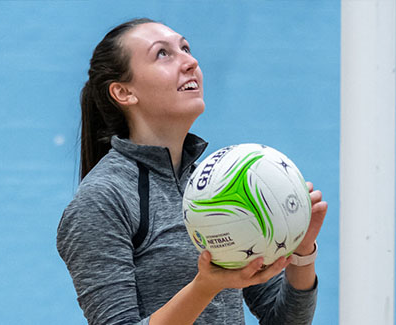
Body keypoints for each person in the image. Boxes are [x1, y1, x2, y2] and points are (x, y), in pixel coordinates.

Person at [56, 18, 328, 325]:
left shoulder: (216, 186)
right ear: (123, 92)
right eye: (163, 54)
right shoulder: (103, 197)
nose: (190, 61)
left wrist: (303, 253)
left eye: (185, 48)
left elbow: (283, 321)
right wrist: (206, 286)